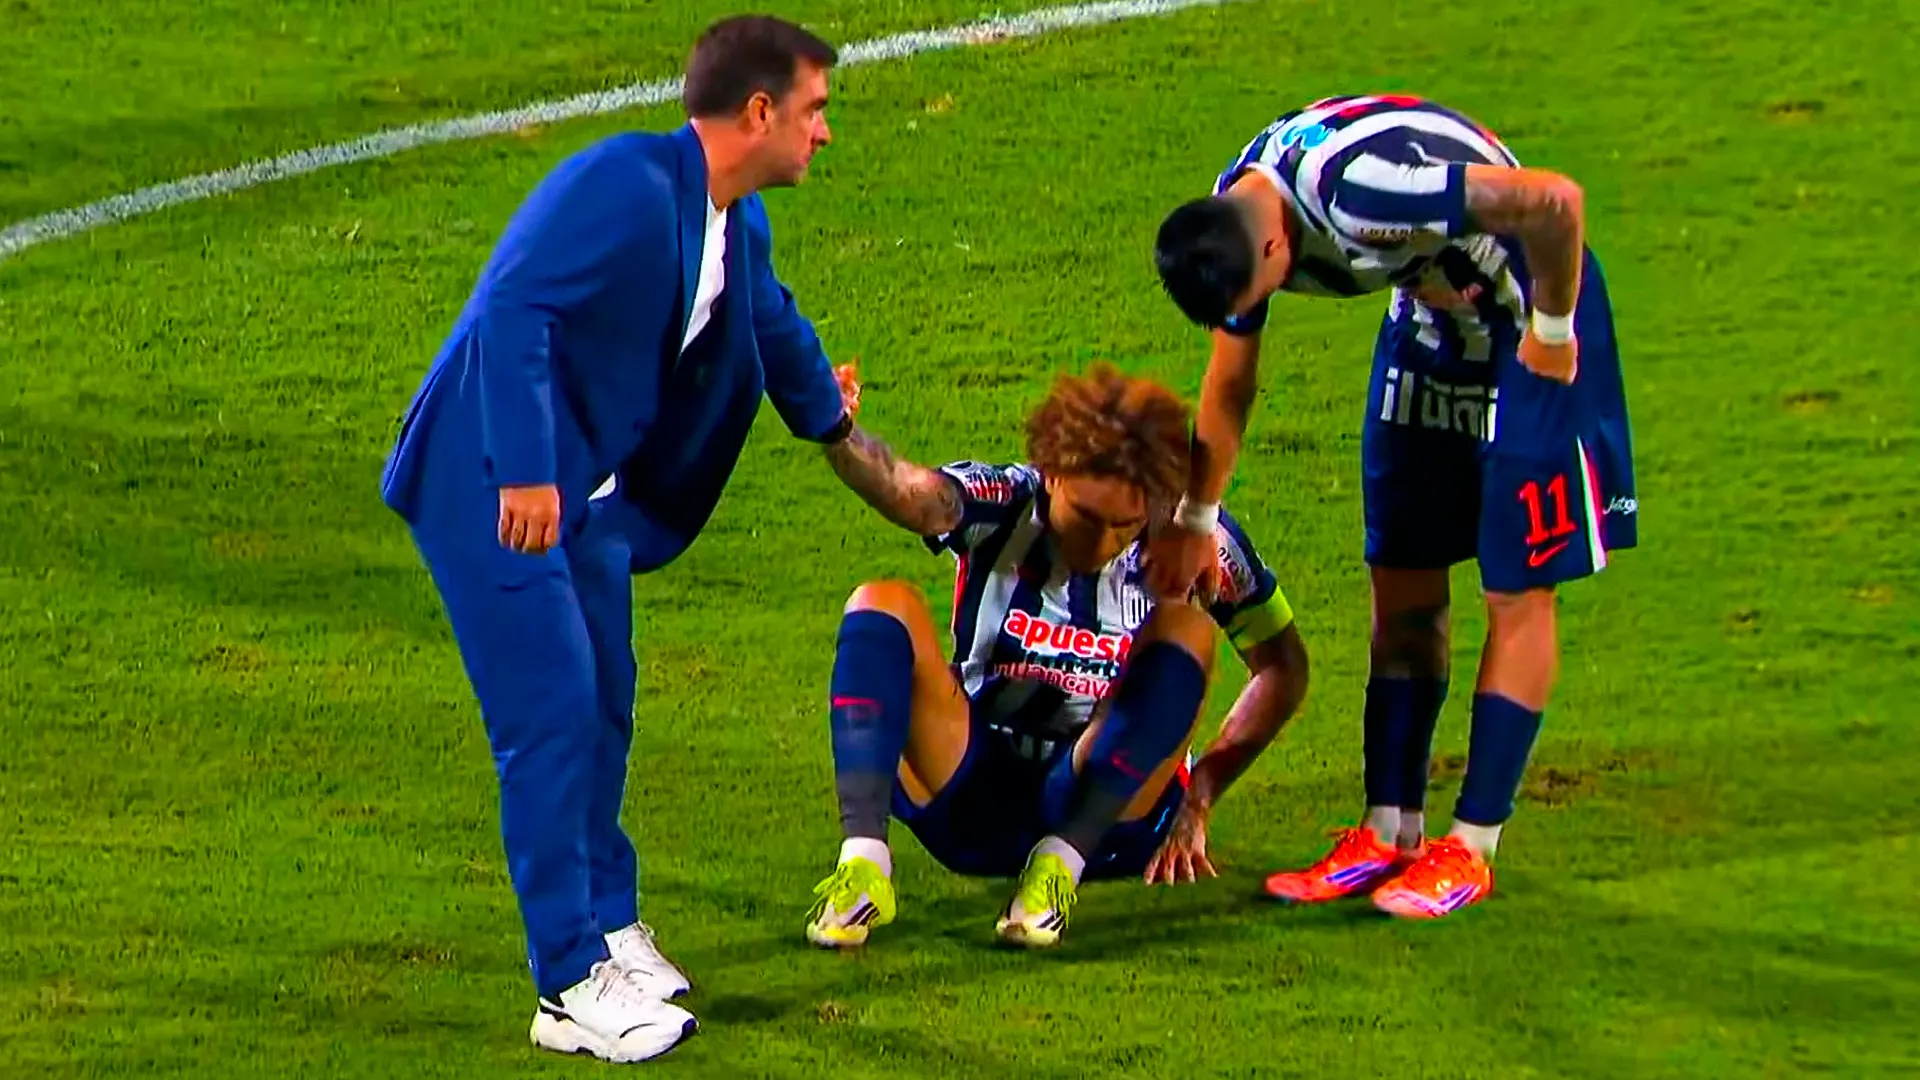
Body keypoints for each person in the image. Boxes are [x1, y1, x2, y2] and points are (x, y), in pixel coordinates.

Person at [379, 15, 946, 1063]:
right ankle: (564, 986)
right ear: (759, 111)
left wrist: (841, 426)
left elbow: (770, 327)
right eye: (815, 110)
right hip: (490, 481)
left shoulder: (732, 219)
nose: (825, 134)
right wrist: (529, 472)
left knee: (604, 702)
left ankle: (606, 921)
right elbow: (512, 312)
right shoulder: (627, 186)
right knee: (551, 715)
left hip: (578, 491)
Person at [1149, 93, 1637, 919]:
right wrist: (1197, 519)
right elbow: (1230, 380)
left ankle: (1473, 843)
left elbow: (1555, 202)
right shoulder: (1233, 215)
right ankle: (1389, 830)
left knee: (1515, 588)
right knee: (1401, 572)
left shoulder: (1364, 192)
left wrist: (1552, 327)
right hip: (1431, 318)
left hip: (1532, 321)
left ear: (1274, 243)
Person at [802, 364, 1310, 949]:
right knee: (880, 602)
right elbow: (906, 491)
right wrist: (837, 431)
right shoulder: (1006, 502)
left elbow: (1283, 668)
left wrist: (1201, 794)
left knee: (1187, 629)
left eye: (1124, 526)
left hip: (1108, 822)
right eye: (1087, 518)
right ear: (1049, 474)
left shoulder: (1194, 540)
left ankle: (1057, 872)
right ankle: (863, 866)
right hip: (974, 792)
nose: (1102, 545)